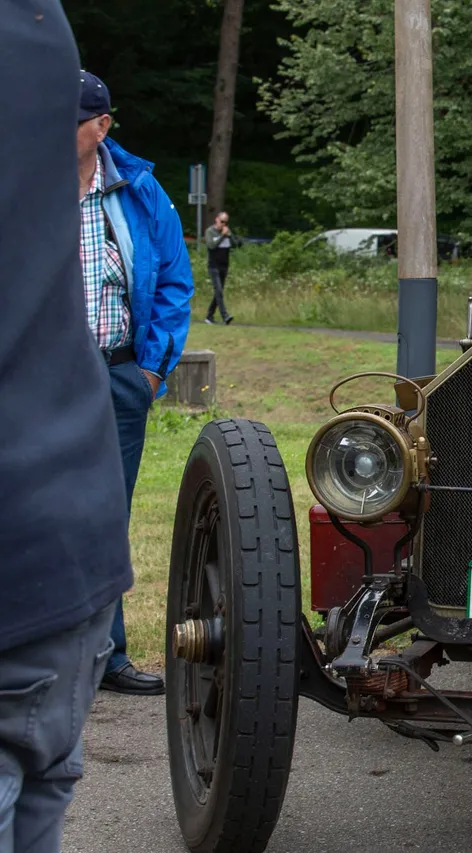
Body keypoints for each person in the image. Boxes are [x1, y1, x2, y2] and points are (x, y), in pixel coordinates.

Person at [1, 6, 134, 849]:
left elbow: (160, 270)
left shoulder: (129, 187)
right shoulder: (39, 30)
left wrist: (150, 363)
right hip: (67, 523)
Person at [78, 71, 195, 695]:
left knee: (106, 517)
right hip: (37, 378)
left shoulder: (138, 190)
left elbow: (175, 280)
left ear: (101, 126)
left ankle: (106, 657)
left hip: (119, 373)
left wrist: (150, 372)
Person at [204, 210, 241, 324]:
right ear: (216, 219)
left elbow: (237, 245)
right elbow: (211, 246)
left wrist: (230, 235)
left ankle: (209, 316)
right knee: (218, 290)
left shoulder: (227, 233)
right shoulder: (210, 232)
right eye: (222, 221)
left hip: (224, 265)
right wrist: (222, 236)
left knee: (218, 293)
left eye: (225, 222)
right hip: (213, 266)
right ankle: (225, 316)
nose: (223, 224)